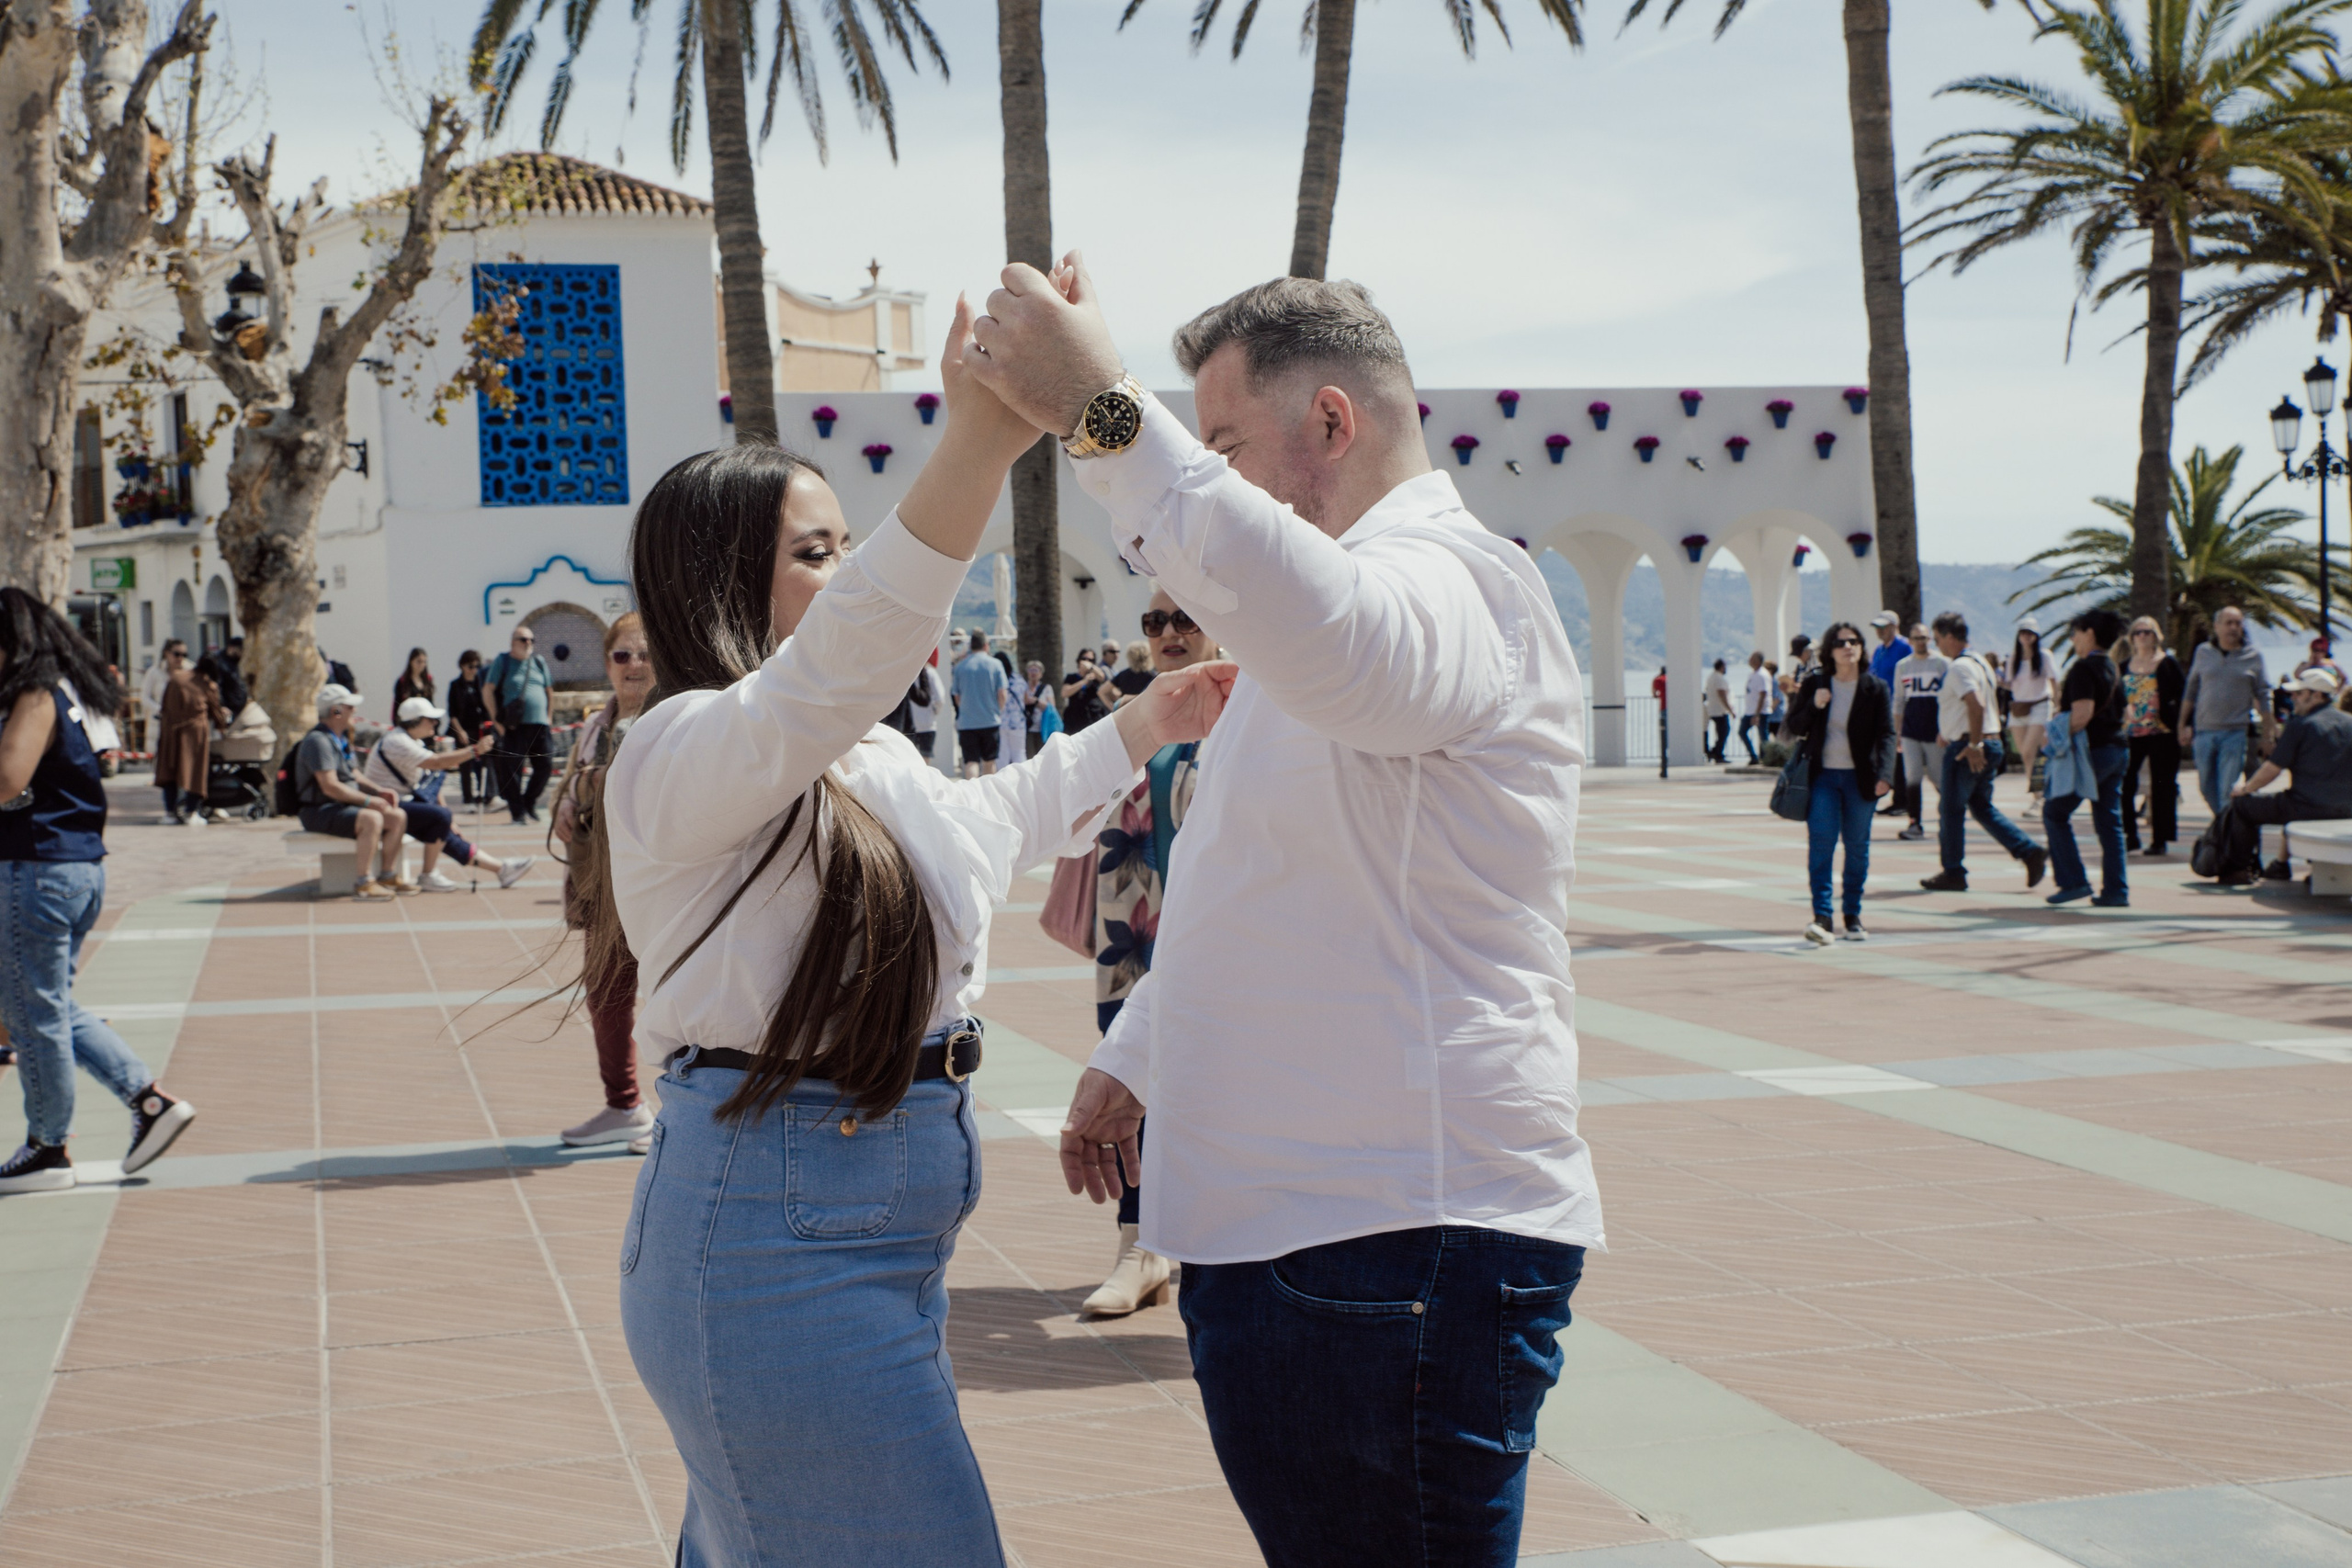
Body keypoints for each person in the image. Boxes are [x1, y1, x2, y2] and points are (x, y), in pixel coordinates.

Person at [975, 265, 1598, 1564]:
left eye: (1222, 447)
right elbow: (1266, 872)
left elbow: (1350, 644)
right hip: (1321, 1240)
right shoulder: (1327, 622)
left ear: (1329, 424)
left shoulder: (1452, 581)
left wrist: (1101, 413)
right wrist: (1139, 1053)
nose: (1210, 480)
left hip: (1394, 1245)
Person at [601, 295, 1231, 1564]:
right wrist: (981, 440)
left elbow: (994, 821)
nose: (851, 575)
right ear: (727, 580)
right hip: (774, 1235)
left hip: (845, 1227)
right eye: (818, 552)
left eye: (846, 546)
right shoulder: (678, 749)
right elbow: (850, 656)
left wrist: (1151, 722)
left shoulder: (853, 754)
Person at [0, 588, 199, 1194]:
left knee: (33, 1012)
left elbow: (8, 780)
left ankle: (47, 1145)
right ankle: (148, 1101)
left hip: (37, 867)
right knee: (50, 1004)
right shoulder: (66, 690)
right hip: (72, 866)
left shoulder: (34, 692)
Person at [1080, 591, 1213, 1318]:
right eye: (1153, 620)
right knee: (1130, 1081)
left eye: (1185, 617)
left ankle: (1200, 1241)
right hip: (1133, 940)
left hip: (1215, 942)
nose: (1166, 633)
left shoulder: (1254, 714)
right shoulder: (1138, 719)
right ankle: (1140, 1244)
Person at [551, 612, 656, 1150]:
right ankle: (625, 1105)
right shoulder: (598, 723)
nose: (634, 665)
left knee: (675, 998)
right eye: (623, 656)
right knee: (608, 997)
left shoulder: (676, 715)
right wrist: (568, 804)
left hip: (664, 887)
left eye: (644, 654)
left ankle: (683, 1116)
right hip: (603, 886)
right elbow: (568, 784)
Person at [1919, 612, 2048, 893]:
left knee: (1951, 810)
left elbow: (1975, 706)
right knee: (1981, 807)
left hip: (1969, 747)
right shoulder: (1981, 663)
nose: (1937, 644)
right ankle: (2028, 851)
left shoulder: (1960, 668)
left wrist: (1973, 744)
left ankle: (1953, 871)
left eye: (1938, 638)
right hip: (1987, 741)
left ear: (1949, 637)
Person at [1786, 621, 1894, 943]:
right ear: (1830, 651)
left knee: (1858, 848)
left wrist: (1886, 775)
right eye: (1841, 642)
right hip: (1823, 777)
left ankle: (1853, 915)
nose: (1848, 647)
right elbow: (1794, 724)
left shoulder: (1874, 688)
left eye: (1854, 641)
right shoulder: (1816, 682)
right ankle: (1822, 917)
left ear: (1862, 648)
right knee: (1822, 844)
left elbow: (1887, 734)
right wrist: (1814, 704)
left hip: (1860, 780)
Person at [362, 698, 536, 892]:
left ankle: (502, 869)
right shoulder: (398, 742)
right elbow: (437, 763)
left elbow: (428, 784)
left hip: (399, 803)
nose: (435, 723)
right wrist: (475, 750)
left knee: (443, 825)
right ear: (415, 721)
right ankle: (428, 875)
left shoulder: (410, 741)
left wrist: (448, 817)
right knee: (440, 818)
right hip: (386, 807)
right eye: (431, 719)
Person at [2217, 667, 2352, 884]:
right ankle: (2298, 867)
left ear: (2316, 695)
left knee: (2242, 806)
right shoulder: (2349, 723)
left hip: (2305, 807)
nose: (2293, 698)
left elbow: (2272, 769)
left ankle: (2237, 870)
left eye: (2299, 693)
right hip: (2347, 810)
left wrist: (2245, 789)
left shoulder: (2301, 725)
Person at [2042, 608, 2131, 908]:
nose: (2073, 639)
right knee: (2109, 822)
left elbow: (2081, 716)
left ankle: (2073, 881)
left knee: (2055, 813)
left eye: (2075, 633)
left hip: (2093, 754)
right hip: (2118, 750)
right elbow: (2128, 714)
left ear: (2089, 633)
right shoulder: (2114, 668)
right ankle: (2116, 891)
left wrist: (2053, 733)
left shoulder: (2082, 669)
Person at [297, 684, 412, 900]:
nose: (355, 712)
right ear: (336, 711)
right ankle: (363, 882)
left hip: (340, 807)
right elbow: (329, 786)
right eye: (350, 707)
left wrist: (380, 791)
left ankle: (387, 875)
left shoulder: (339, 738)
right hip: (318, 810)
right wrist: (369, 801)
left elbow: (354, 775)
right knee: (371, 818)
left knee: (397, 816)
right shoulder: (318, 741)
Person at [2179, 605, 2275, 815]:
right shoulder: (2203, 652)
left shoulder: (2253, 656)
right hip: (2204, 731)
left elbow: (2263, 695)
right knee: (2205, 787)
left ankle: (2226, 837)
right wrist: (2182, 724)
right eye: (2228, 623)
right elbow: (2191, 689)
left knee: (2226, 790)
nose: (2233, 628)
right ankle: (2224, 826)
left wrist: (2268, 734)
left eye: (2238, 623)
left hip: (2235, 733)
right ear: (2216, 626)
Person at [2120, 616, 2185, 856]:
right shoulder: (2125, 666)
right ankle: (2129, 835)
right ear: (2132, 637)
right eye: (2139, 632)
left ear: (2156, 635)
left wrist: (2184, 725)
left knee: (2162, 785)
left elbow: (2183, 695)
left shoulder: (2167, 663)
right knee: (2125, 784)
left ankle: (2160, 839)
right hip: (2132, 733)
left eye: (2148, 632)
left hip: (2163, 732)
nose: (2144, 636)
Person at [153, 640, 227, 827]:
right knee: (195, 772)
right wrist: (223, 724)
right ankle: (191, 812)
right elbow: (217, 713)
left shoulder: (176, 679)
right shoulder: (207, 684)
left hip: (170, 731)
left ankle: (169, 813)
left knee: (169, 771)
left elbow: (163, 706)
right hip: (195, 734)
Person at [484, 626, 555, 822]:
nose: (528, 643)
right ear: (513, 641)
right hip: (515, 726)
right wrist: (496, 721)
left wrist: (549, 717)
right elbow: (488, 690)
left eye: (532, 639)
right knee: (512, 770)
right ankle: (518, 811)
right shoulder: (503, 661)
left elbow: (549, 691)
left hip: (540, 725)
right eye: (524, 639)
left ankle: (529, 801)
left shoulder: (539, 662)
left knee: (545, 765)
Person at [1891, 620, 1949, 842]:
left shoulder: (1942, 664)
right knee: (1912, 777)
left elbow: (1948, 699)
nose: (1920, 642)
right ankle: (1914, 823)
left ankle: (1949, 818)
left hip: (1934, 730)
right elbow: (1898, 700)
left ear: (1930, 640)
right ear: (1910, 641)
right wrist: (1898, 732)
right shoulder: (1903, 666)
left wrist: (1947, 730)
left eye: (1923, 638)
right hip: (1910, 731)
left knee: (1938, 777)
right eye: (1916, 638)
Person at [2003, 618, 2055, 793]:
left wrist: (2057, 706)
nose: (2026, 636)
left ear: (2036, 636)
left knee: (2028, 750)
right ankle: (2038, 795)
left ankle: (2042, 789)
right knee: (2026, 756)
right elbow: (2011, 684)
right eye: (2023, 632)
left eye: (2030, 633)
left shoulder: (2044, 656)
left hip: (2040, 704)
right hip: (2019, 707)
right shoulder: (2013, 659)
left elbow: (2054, 681)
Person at [951, 628, 1010, 777]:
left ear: (971, 646)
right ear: (986, 645)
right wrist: (998, 711)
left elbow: (957, 696)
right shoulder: (996, 664)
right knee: (989, 762)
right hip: (990, 720)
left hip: (967, 722)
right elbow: (1002, 693)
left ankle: (972, 797)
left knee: (971, 762)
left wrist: (965, 709)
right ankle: (988, 797)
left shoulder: (960, 667)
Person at [447, 649, 492, 806]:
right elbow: (452, 713)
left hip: (479, 729)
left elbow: (486, 707)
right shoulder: (455, 685)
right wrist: (460, 731)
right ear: (463, 666)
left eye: (476, 666)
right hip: (463, 730)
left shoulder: (480, 684)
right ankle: (468, 798)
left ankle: (486, 795)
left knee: (483, 763)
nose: (474, 670)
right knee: (465, 765)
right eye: (471, 666)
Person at [1060, 646, 1114, 734]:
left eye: (1090, 660)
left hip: (1093, 716)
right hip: (1074, 718)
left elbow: (1102, 677)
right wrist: (1083, 682)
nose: (1087, 662)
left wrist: (1091, 668)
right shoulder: (1071, 677)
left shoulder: (1096, 677)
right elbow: (1064, 693)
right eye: (1084, 659)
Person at [195, 636, 248, 716]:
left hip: (237, 709)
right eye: (240, 650)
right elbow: (216, 687)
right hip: (228, 711)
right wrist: (221, 706)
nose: (242, 653)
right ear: (231, 648)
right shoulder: (219, 663)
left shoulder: (233, 662)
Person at [1738, 650, 1770, 762]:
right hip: (1749, 711)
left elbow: (1763, 694)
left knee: (1763, 736)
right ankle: (1753, 756)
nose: (1749, 660)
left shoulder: (1762, 675)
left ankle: (1766, 758)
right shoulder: (1752, 674)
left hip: (1760, 712)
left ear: (1757, 661)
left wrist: (1757, 713)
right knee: (1742, 732)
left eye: (1752, 658)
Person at [391, 646, 435, 719]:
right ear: (411, 661)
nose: (422, 665)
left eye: (424, 662)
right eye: (419, 661)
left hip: (425, 720)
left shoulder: (428, 679)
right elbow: (397, 706)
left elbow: (431, 702)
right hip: (409, 721)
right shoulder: (402, 681)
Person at [1702, 658, 1733, 762]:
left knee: (1721, 732)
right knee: (1724, 732)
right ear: (1722, 667)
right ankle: (1717, 753)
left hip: (1712, 709)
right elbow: (1722, 694)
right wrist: (1730, 709)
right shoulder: (1719, 679)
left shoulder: (1711, 677)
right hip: (1720, 710)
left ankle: (1714, 752)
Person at [1022, 659, 1053, 756]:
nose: (1033, 673)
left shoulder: (1047, 688)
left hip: (1043, 729)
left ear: (1041, 674)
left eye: (1036, 671)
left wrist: (1036, 701)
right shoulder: (1022, 687)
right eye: (1030, 670)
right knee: (1030, 756)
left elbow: (1051, 707)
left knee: (1042, 756)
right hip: (1027, 729)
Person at [1867, 610, 1905, 686]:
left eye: (1883, 626)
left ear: (1894, 626)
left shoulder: (1905, 647)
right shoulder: (1879, 650)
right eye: (1877, 627)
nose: (1879, 630)